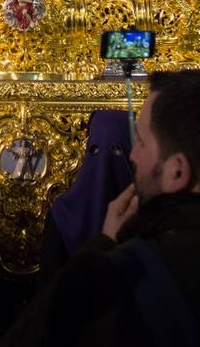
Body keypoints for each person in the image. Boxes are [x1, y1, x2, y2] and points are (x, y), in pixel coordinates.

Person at [1, 70, 200, 346]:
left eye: (140, 142)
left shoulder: (121, 290)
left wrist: (100, 251)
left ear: (177, 171)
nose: (133, 157)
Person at [40, 110, 132, 283]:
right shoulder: (62, 215)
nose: (104, 167)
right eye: (95, 150)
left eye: (117, 150)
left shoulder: (145, 212)